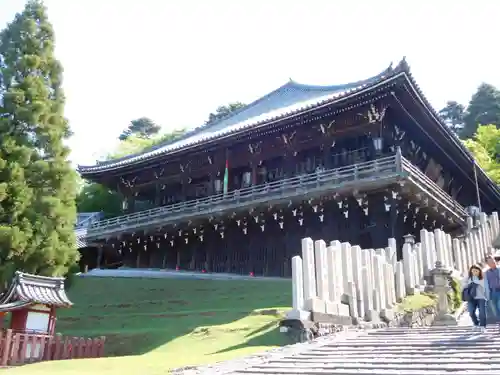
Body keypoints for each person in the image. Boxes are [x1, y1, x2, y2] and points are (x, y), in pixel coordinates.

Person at [462, 264, 489, 332]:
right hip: (471, 298)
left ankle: (483, 326)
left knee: (482, 312)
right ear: (471, 271)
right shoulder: (468, 278)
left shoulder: (483, 278)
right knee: (471, 312)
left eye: (476, 271)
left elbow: (487, 288)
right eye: (473, 271)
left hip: (481, 297)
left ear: (479, 271)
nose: (474, 272)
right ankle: (476, 323)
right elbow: (463, 286)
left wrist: (488, 297)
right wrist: (468, 282)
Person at [485, 255, 500, 327]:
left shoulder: (499, 269)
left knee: (499, 306)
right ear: (487, 264)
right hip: (492, 293)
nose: (492, 263)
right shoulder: (487, 273)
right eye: (490, 262)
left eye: (493, 261)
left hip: (499, 291)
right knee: (495, 309)